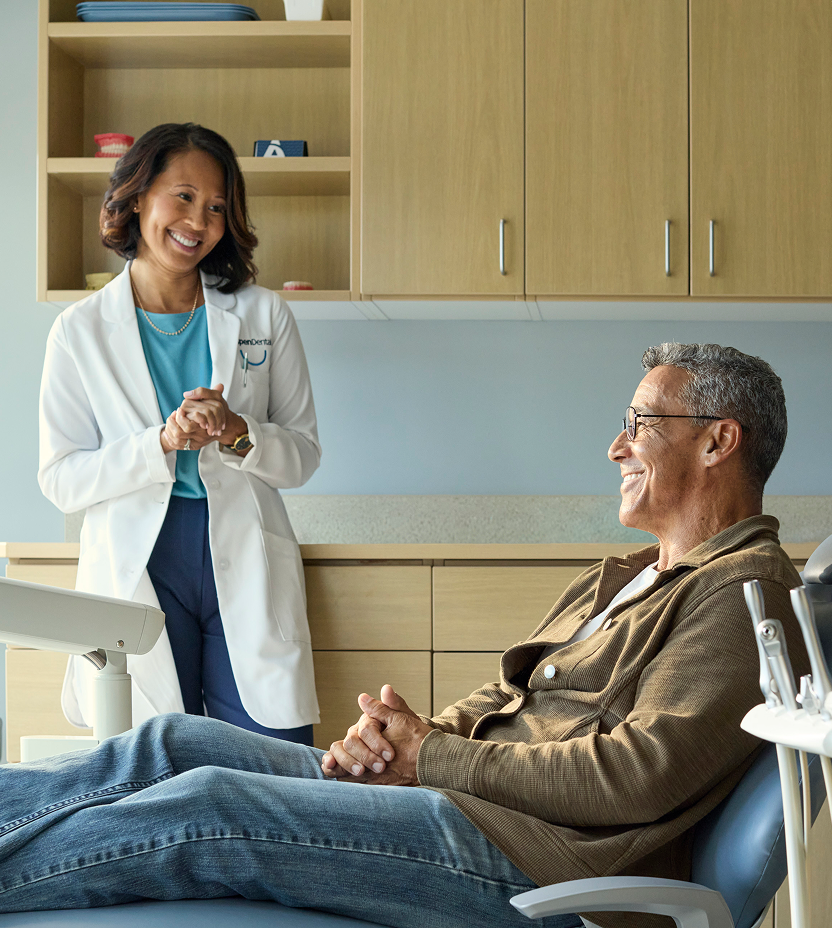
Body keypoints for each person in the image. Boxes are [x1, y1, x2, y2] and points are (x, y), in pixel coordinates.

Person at [11, 343, 806, 928]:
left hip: (535, 861)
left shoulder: (743, 593)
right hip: (465, 801)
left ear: (717, 441)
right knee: (175, 743)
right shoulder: (631, 572)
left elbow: (633, 778)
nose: (616, 445)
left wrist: (429, 755)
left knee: (208, 805)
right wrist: (398, 747)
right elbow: (507, 697)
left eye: (640, 422)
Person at [38, 123, 322, 744]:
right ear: (138, 195)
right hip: (142, 559)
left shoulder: (262, 313)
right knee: (155, 765)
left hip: (242, 551)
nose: (200, 219)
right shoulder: (79, 331)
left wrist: (237, 432)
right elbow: (62, 479)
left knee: (273, 766)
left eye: (218, 206)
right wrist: (158, 444)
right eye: (184, 196)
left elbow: (301, 454)